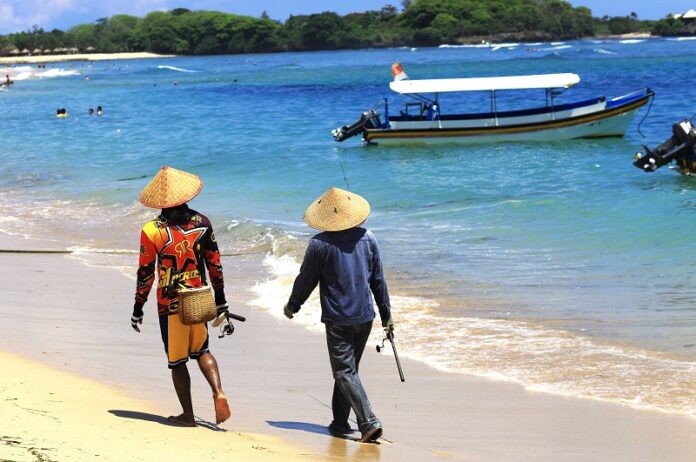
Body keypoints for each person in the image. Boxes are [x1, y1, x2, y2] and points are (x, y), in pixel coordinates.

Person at [284, 187, 394, 443]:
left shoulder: (319, 244)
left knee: (344, 372)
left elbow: (306, 280)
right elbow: (379, 281)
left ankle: (368, 422)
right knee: (348, 370)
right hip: (365, 317)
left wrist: (292, 305)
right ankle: (340, 422)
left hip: (339, 319)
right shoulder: (369, 237)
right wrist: (387, 315)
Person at [132, 166, 231, 427]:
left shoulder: (151, 230)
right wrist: (221, 302)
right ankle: (218, 391)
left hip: (170, 305)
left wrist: (138, 307)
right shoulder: (203, 223)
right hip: (199, 299)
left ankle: (188, 416)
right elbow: (215, 265)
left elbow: (146, 273)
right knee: (203, 350)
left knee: (177, 361)